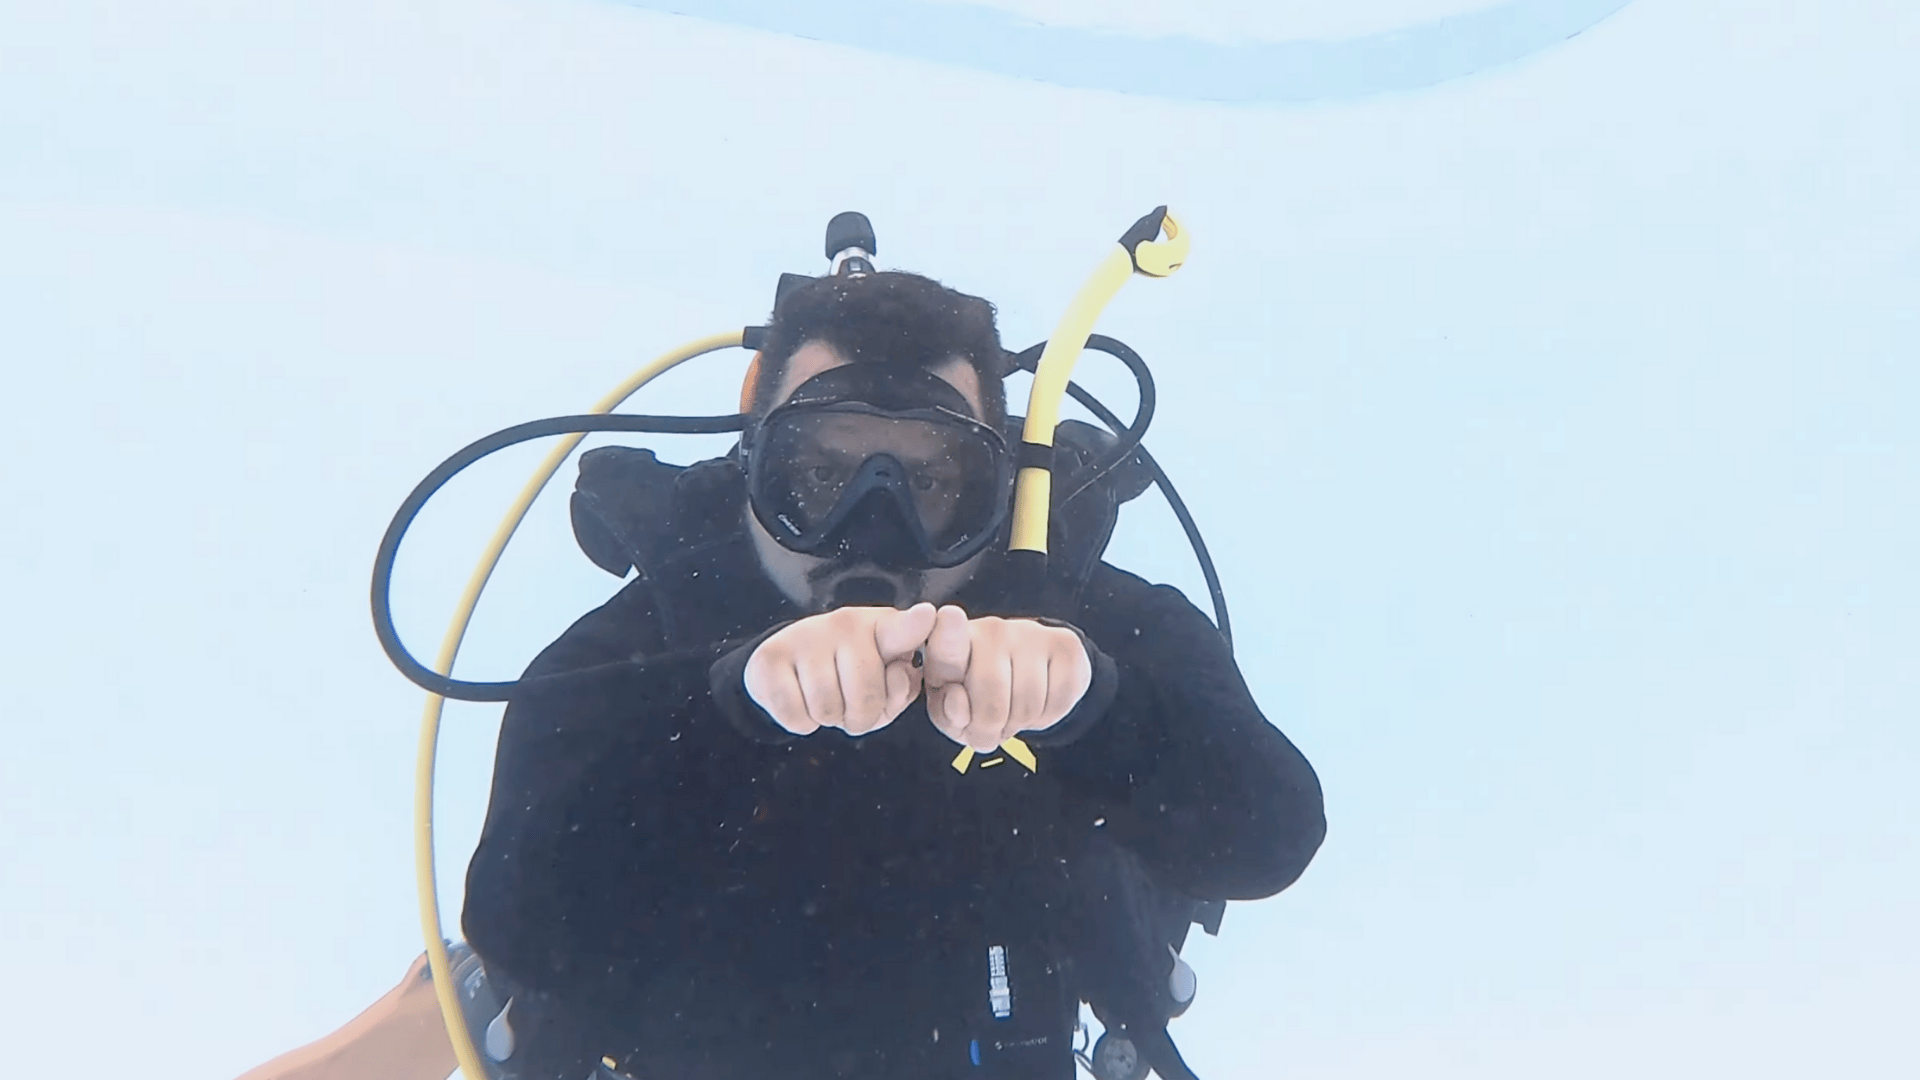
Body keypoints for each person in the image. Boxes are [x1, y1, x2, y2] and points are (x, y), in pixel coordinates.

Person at [459, 270, 1327, 1080]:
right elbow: (518, 924)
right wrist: (730, 711)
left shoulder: (1084, 619)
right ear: (753, 464)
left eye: (934, 479)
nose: (872, 526)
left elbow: (1269, 838)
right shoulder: (645, 640)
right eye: (820, 474)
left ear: (1002, 483)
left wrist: (1099, 705)